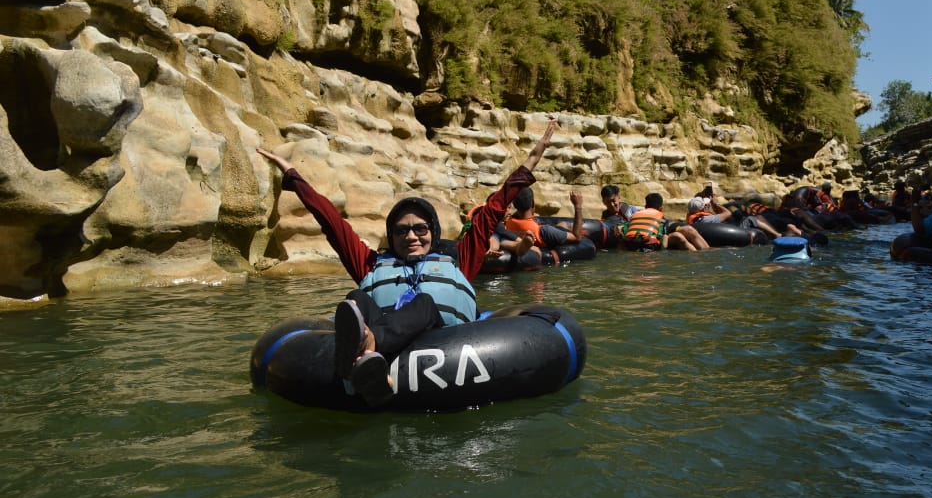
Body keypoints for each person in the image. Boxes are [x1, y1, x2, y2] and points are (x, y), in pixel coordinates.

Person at [256, 118, 560, 407]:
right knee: (356, 298)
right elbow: (332, 222)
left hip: (447, 340)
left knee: (424, 302)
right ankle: (368, 366)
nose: (411, 236)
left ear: (433, 233)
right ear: (392, 236)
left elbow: (495, 207)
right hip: (384, 341)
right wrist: (293, 177)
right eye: (401, 230)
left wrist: (535, 156)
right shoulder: (371, 263)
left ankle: (369, 345)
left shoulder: (459, 259)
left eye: (420, 229)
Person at [503, 187, 585, 259]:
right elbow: (576, 237)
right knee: (563, 225)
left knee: (561, 224)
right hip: (549, 240)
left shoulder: (508, 222)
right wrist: (578, 206)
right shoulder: (543, 230)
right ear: (532, 203)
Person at [620, 193, 709, 251]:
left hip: (631, 244)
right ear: (661, 209)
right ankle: (704, 254)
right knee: (680, 235)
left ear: (645, 206)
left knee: (681, 233)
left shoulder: (636, 215)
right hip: (650, 245)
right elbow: (664, 231)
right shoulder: (659, 217)